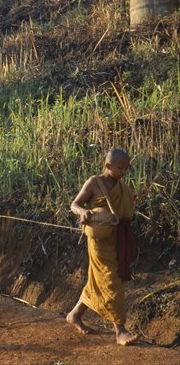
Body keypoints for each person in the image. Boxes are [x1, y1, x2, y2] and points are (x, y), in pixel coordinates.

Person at [66, 148, 138, 346]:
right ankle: (120, 330)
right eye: (120, 168)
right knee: (111, 281)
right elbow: (74, 204)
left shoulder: (121, 187)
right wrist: (82, 212)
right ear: (108, 166)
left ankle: (74, 315)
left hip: (118, 240)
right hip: (99, 244)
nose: (123, 172)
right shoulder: (94, 183)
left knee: (98, 283)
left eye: (126, 168)